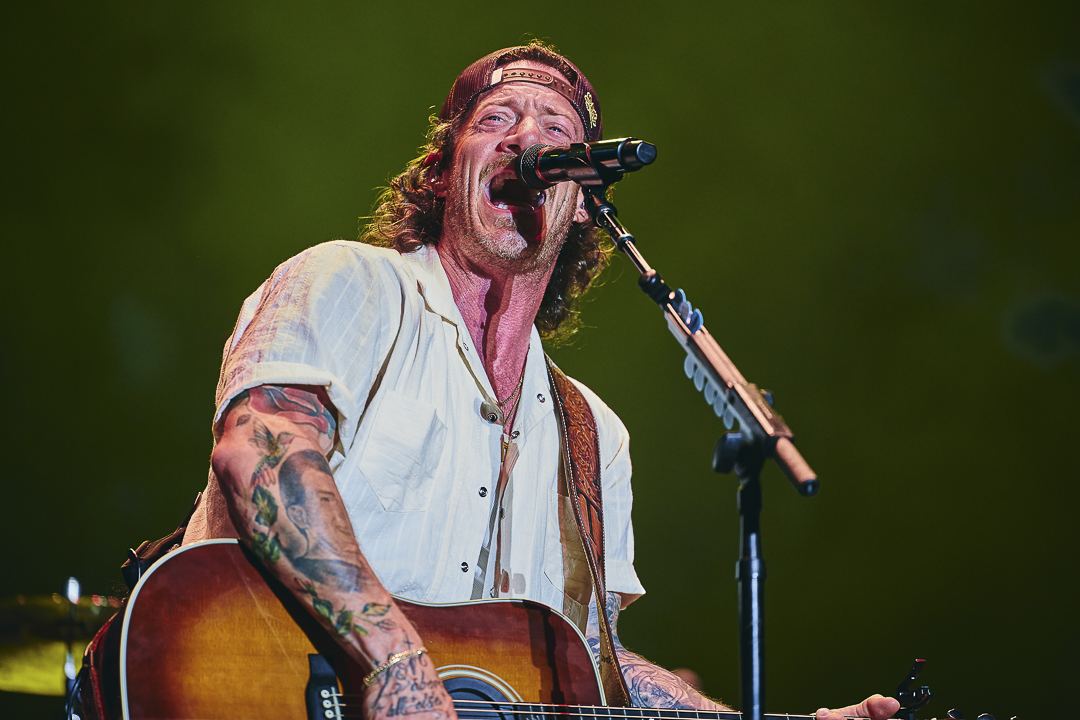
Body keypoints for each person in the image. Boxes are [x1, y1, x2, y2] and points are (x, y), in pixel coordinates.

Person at [185, 42, 900, 720]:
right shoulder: (353, 283)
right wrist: (397, 666)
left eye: (556, 129)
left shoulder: (595, 435)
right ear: (444, 171)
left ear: (582, 199)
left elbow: (594, 662)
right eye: (497, 119)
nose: (527, 138)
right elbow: (261, 452)